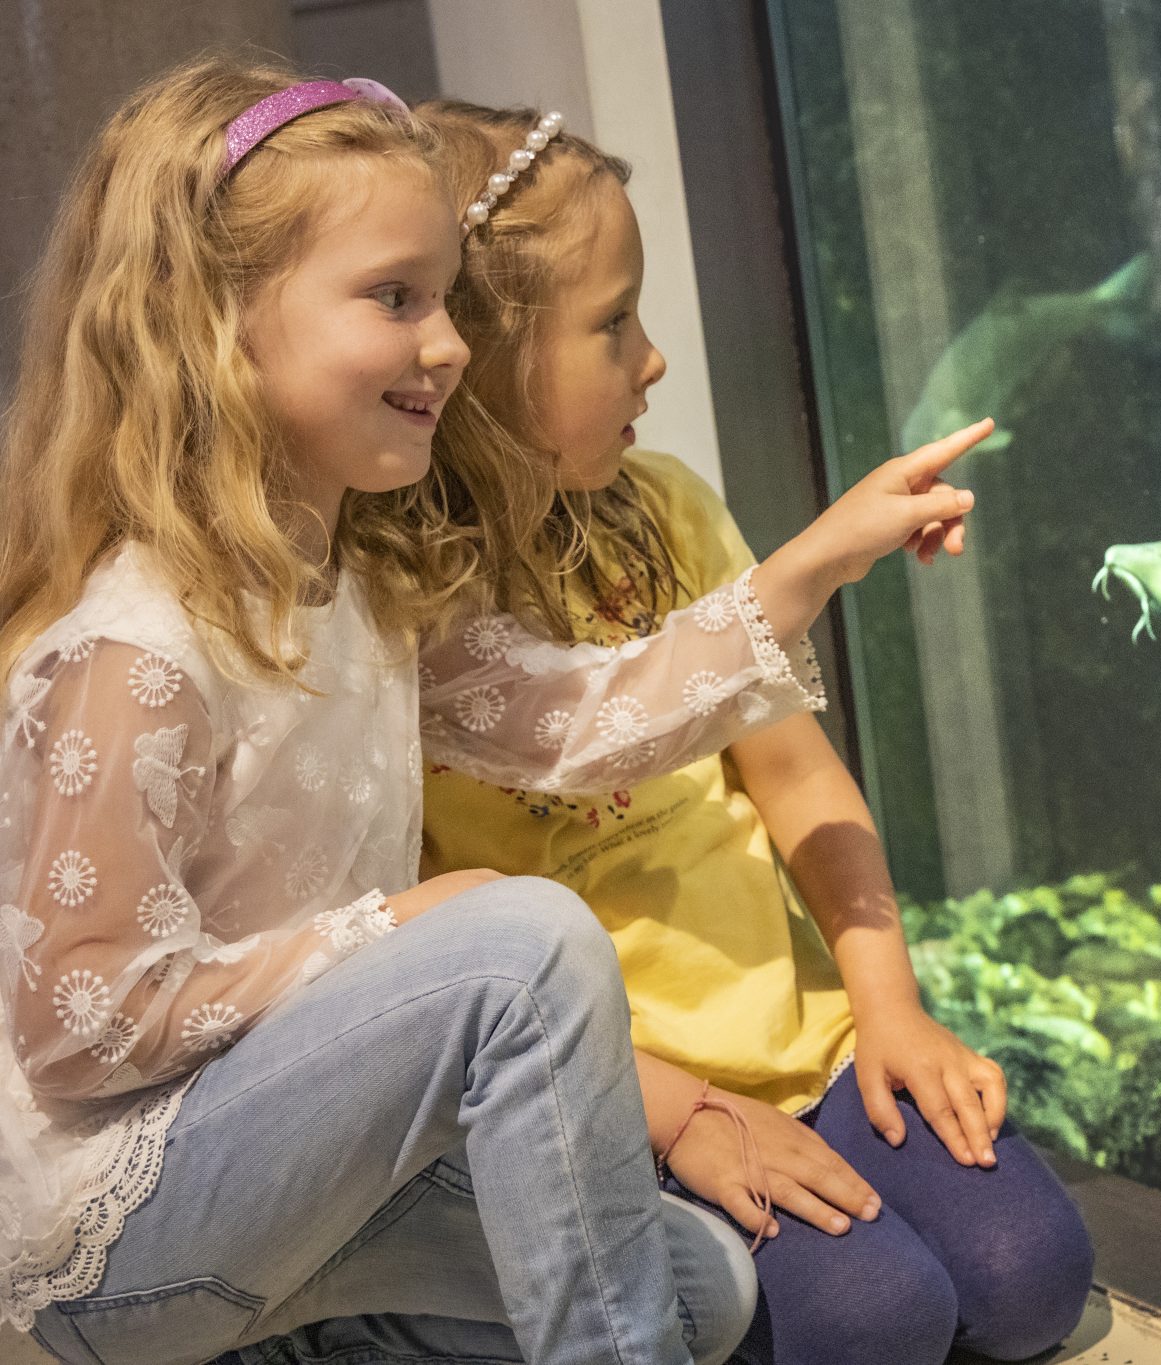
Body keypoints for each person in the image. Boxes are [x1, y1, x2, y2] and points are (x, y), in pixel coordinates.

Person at [1, 58, 979, 1365]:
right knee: (519, 942)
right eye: (395, 298)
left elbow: (586, 723)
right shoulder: (140, 644)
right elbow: (78, 1029)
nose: (448, 344)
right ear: (216, 320)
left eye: (447, 300)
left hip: (302, 1194)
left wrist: (813, 565)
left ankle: (294, 1338)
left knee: (703, 1285)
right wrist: (390, 928)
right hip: (118, 1241)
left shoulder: (353, 588)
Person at [412, 100, 1095, 1365]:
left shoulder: (666, 509)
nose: (653, 359)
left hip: (811, 1043)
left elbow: (792, 773)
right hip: (626, 1095)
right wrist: (676, 1115)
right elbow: (451, 966)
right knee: (877, 1321)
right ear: (487, 361)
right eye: (612, 324)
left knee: (1030, 1279)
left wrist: (890, 1007)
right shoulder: (411, 610)